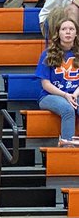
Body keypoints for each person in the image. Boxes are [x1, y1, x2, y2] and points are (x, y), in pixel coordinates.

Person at [36, 13, 79, 147]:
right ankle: (67, 147)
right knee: (67, 109)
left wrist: (75, 95)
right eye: (64, 29)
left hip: (75, 94)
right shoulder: (47, 54)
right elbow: (45, 84)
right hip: (50, 96)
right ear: (58, 33)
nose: (68, 32)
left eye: (71, 29)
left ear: (76, 34)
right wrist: (65, 95)